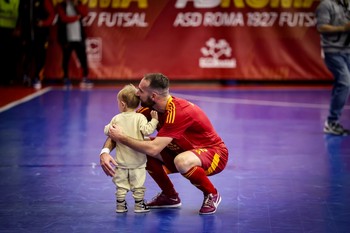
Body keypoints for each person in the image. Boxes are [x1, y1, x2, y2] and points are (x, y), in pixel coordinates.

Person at [100, 73, 229, 215]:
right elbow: (121, 128)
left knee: (178, 159)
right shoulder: (150, 109)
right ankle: (170, 196)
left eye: (141, 91)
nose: (137, 93)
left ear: (153, 96)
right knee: (142, 147)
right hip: (180, 150)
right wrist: (105, 151)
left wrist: (122, 138)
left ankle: (212, 194)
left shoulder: (178, 111)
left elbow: (154, 149)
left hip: (214, 154)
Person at [102, 84, 159, 213]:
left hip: (121, 162)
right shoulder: (140, 117)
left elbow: (107, 130)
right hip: (138, 162)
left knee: (121, 186)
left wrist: (110, 128)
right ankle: (139, 206)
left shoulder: (116, 118)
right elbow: (147, 131)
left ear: (123, 104)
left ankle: (120, 206)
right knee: (138, 185)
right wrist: (154, 120)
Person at [315, 0, 350, 136]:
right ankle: (331, 122)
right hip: (333, 51)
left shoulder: (347, 5)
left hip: (348, 51)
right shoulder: (326, 5)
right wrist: (343, 28)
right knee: (345, 81)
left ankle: (333, 122)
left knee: (342, 83)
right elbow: (321, 27)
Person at [17, 0, 56, 90]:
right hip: (27, 35)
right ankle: (26, 75)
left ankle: (37, 77)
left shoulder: (44, 1)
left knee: (40, 56)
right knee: (27, 55)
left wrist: (44, 23)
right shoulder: (24, 2)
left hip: (41, 35)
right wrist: (19, 28)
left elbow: (52, 15)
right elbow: (20, 16)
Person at [56, 0, 93, 88]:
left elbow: (85, 14)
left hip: (78, 37)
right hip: (67, 38)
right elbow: (63, 18)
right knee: (66, 58)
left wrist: (77, 5)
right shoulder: (61, 5)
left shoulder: (78, 4)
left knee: (83, 58)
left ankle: (85, 77)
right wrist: (76, 18)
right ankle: (65, 78)